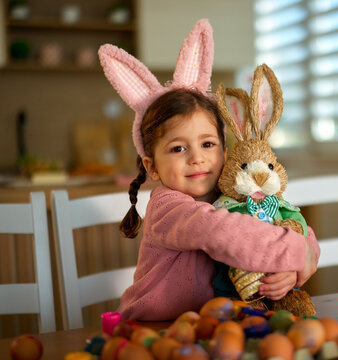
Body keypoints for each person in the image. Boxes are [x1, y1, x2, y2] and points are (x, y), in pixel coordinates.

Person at [98, 20, 318, 321]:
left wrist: (298, 265)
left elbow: (288, 220)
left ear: (225, 153)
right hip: (153, 328)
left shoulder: (231, 197)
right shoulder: (168, 207)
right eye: (178, 148)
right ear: (153, 167)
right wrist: (293, 251)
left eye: (208, 144)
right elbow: (220, 231)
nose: (197, 159)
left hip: (211, 329)